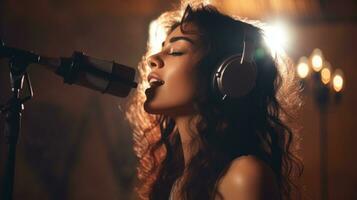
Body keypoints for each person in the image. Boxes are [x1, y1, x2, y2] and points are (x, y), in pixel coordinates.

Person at [125, 4, 303, 200]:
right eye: (163, 48)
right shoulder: (176, 183)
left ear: (231, 75)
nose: (153, 59)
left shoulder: (243, 176)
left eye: (176, 51)